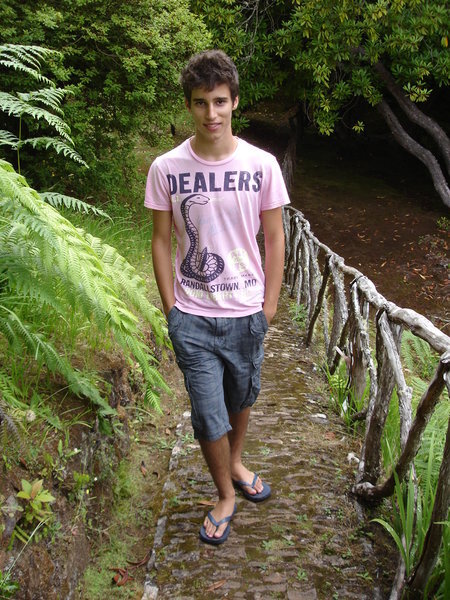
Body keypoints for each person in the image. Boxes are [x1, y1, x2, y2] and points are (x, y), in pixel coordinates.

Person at [145, 49, 290, 545]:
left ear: (234, 102)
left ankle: (236, 461)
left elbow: (275, 237)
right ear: (189, 105)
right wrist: (172, 310)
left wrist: (269, 306)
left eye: (220, 101)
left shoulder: (261, 165)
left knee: (240, 396)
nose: (211, 113)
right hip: (193, 315)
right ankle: (225, 494)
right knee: (209, 412)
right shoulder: (167, 168)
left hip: (247, 312)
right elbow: (160, 241)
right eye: (201, 103)